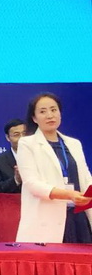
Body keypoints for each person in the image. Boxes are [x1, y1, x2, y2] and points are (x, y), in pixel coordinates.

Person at [16, 93, 92, 243]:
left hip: (78, 217)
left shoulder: (74, 144)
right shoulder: (27, 144)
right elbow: (32, 184)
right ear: (34, 118)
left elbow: (85, 177)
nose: (50, 115)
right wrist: (68, 194)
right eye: (43, 111)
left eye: (53, 110)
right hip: (47, 220)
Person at [0, 119, 25, 193]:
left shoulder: (40, 157)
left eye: (25, 133)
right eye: (16, 135)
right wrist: (16, 180)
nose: (22, 138)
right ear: (8, 137)